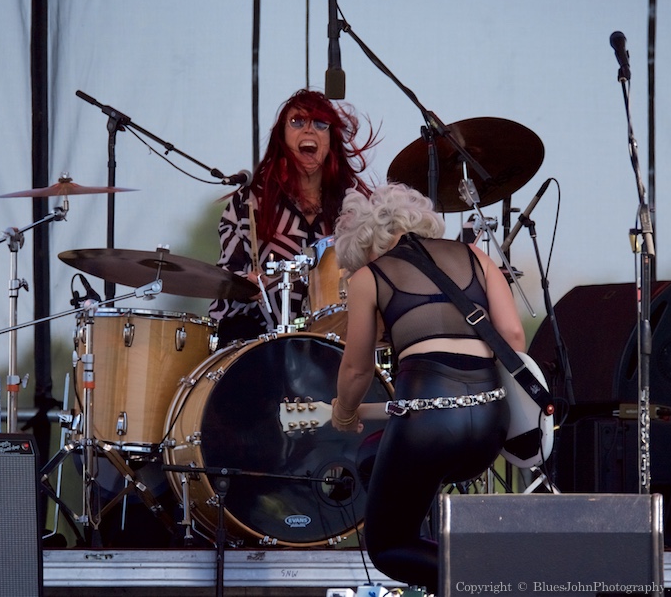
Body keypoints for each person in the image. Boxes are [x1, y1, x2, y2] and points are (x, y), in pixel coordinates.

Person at [331, 183, 526, 595]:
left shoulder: (369, 276)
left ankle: (497, 583)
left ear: (366, 247)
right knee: (375, 456)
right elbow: (512, 336)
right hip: (490, 424)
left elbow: (356, 370)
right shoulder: (474, 255)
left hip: (428, 425)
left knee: (388, 545)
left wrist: (345, 412)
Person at [209, 89, 376, 345]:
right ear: (282, 137)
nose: (309, 130)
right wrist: (247, 284)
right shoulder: (251, 200)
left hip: (334, 338)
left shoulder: (352, 206)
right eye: (297, 122)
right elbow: (225, 276)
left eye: (320, 124)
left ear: (331, 139)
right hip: (255, 337)